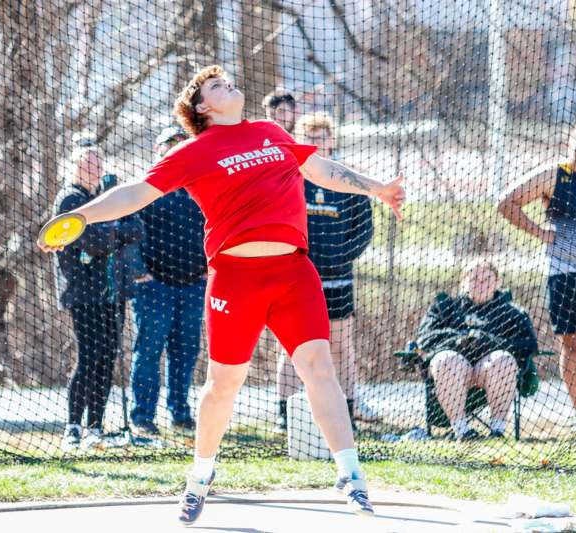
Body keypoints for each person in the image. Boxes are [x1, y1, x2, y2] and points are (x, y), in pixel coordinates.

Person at [39, 65, 405, 524]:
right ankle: (200, 478)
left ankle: (351, 478)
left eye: (228, 80)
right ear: (202, 107)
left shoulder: (271, 131)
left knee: (319, 368)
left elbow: (323, 169)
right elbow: (135, 193)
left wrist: (377, 189)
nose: (229, 83)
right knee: (223, 385)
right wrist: (83, 217)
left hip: (293, 272)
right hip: (236, 278)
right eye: (216, 85)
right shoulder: (195, 151)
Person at [498, 125, 576, 431]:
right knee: (573, 344)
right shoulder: (554, 174)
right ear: (570, 144)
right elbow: (506, 203)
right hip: (565, 272)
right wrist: (539, 232)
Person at [275, 113, 378, 432]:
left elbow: (364, 229)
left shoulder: (347, 180)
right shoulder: (290, 176)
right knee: (293, 346)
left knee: (340, 344)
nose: (319, 141)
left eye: (323, 136)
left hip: (337, 279)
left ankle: (347, 410)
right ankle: (285, 414)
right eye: (312, 136)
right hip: (296, 277)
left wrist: (340, 256)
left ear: (332, 140)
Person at [54, 144, 143, 451]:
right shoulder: (71, 198)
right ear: (76, 167)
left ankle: (96, 426)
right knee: (89, 358)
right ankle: (73, 425)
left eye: (98, 163)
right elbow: (92, 241)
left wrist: (112, 227)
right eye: (88, 163)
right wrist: (114, 227)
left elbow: (136, 227)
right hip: (84, 293)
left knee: (107, 359)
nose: (94, 168)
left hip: (113, 293)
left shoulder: (107, 194)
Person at [130, 126, 207, 435]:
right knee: (149, 350)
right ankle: (143, 417)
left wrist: (207, 267)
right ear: (157, 150)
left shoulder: (200, 187)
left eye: (180, 144)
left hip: (192, 285)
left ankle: (180, 413)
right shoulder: (147, 188)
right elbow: (130, 232)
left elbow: (213, 229)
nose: (175, 149)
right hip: (153, 285)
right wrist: (139, 271)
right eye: (169, 145)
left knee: (186, 351)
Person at [413, 260, 538, 440]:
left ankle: (497, 430)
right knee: (447, 359)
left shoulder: (511, 312)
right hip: (452, 371)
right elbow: (424, 338)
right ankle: (462, 431)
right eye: (474, 279)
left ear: (498, 282)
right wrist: (459, 340)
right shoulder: (445, 307)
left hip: (488, 372)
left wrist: (488, 342)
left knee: (502, 359)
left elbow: (529, 345)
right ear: (464, 281)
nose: (481, 284)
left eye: (487, 279)